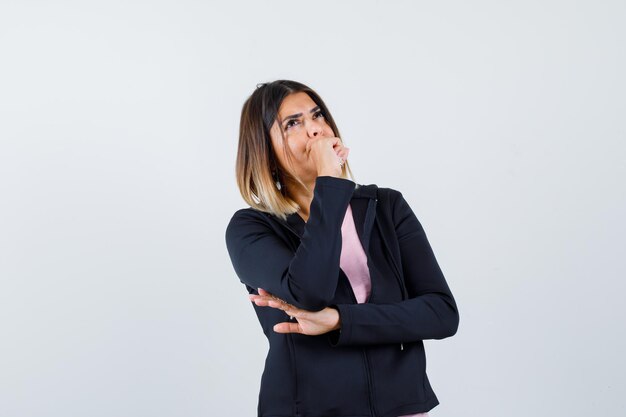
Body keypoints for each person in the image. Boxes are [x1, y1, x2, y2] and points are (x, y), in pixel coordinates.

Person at [225, 80, 460, 417]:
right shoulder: (251, 228)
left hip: (400, 407)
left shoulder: (386, 206)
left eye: (317, 115)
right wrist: (330, 186)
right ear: (265, 150)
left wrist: (339, 320)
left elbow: (441, 314)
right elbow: (309, 292)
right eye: (293, 123)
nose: (316, 130)